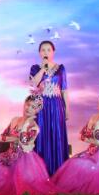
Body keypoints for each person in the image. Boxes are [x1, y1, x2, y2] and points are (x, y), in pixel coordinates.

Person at [28, 41, 69, 175]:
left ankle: (57, 172)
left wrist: (67, 109)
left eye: (48, 50)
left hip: (56, 106)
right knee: (41, 136)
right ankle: (40, 173)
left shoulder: (61, 69)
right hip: (41, 107)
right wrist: (43, 69)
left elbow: (64, 90)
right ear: (39, 53)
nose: (46, 52)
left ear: (53, 52)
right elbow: (34, 83)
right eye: (43, 50)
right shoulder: (35, 68)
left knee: (56, 135)